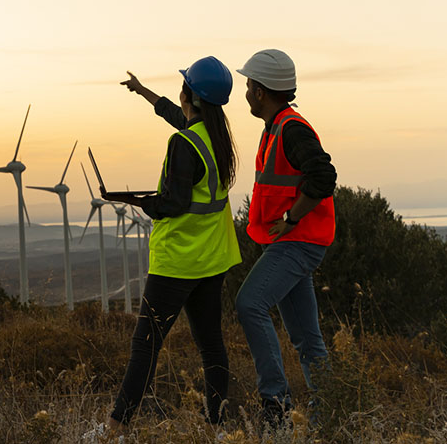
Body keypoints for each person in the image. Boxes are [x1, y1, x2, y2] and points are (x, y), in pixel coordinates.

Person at [86, 56, 242, 440]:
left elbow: (172, 204)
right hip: (213, 258)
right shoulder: (215, 137)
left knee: (145, 346)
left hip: (178, 262)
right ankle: (215, 427)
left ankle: (117, 427)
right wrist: (142, 92)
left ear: (189, 93)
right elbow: (177, 116)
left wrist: (134, 200)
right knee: (211, 345)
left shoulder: (183, 143)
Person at [233, 48, 337, 427]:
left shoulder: (291, 128)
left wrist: (292, 218)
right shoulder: (278, 126)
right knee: (306, 338)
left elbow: (323, 177)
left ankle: (274, 404)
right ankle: (330, 410)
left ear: (260, 91)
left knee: (249, 304)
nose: (245, 91)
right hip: (295, 241)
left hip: (300, 242)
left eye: (248, 85)